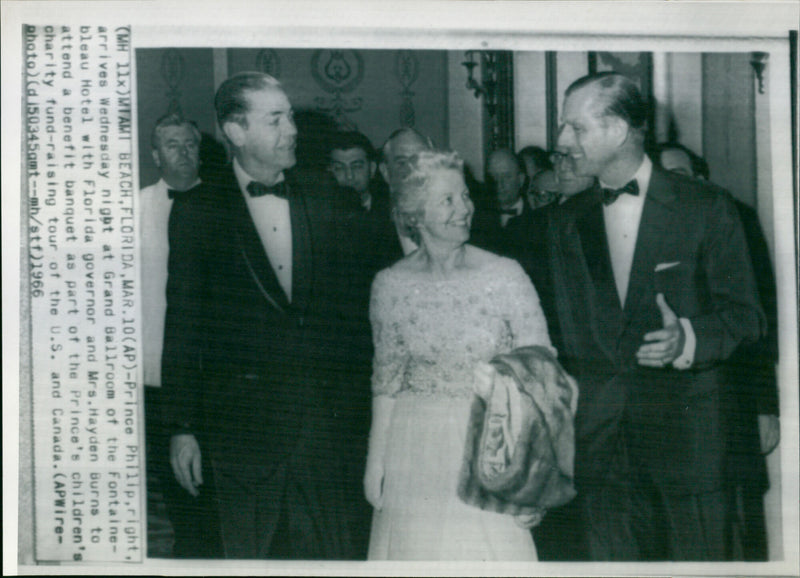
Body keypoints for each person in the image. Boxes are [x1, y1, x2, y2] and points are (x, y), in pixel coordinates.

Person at [541, 72, 764, 560]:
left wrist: (686, 338)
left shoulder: (707, 208)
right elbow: (570, 336)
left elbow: (748, 318)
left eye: (575, 128)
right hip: (602, 448)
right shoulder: (564, 221)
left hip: (689, 444)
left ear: (619, 131)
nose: (561, 141)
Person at [161, 71, 357, 559]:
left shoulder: (326, 196)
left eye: (289, 116)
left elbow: (353, 318)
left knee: (331, 558)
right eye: (275, 119)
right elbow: (183, 325)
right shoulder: (198, 210)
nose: (292, 129)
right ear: (235, 131)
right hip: (240, 435)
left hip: (322, 430)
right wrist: (182, 428)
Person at [363, 150, 553, 560]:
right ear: (415, 213)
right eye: (448, 200)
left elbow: (539, 378)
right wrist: (375, 462)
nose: (464, 208)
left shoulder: (505, 275)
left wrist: (533, 474)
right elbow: (387, 380)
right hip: (413, 451)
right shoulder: (390, 284)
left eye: (465, 196)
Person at [655, 141, 780, 560]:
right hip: (670, 416)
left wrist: (765, 405)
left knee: (735, 530)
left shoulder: (733, 218)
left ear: (701, 177)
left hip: (733, 399)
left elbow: (759, 320)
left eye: (682, 174)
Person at [139, 113, 222, 558]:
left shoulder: (225, 204)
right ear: (155, 155)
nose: (184, 151)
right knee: (175, 483)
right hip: (156, 371)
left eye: (190, 143)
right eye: (172, 144)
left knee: (216, 485)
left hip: (213, 373)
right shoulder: (134, 210)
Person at [378, 127, 434, 255]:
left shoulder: (458, 219)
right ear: (386, 172)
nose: (413, 170)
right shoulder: (369, 231)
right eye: (402, 163)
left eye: (420, 160)